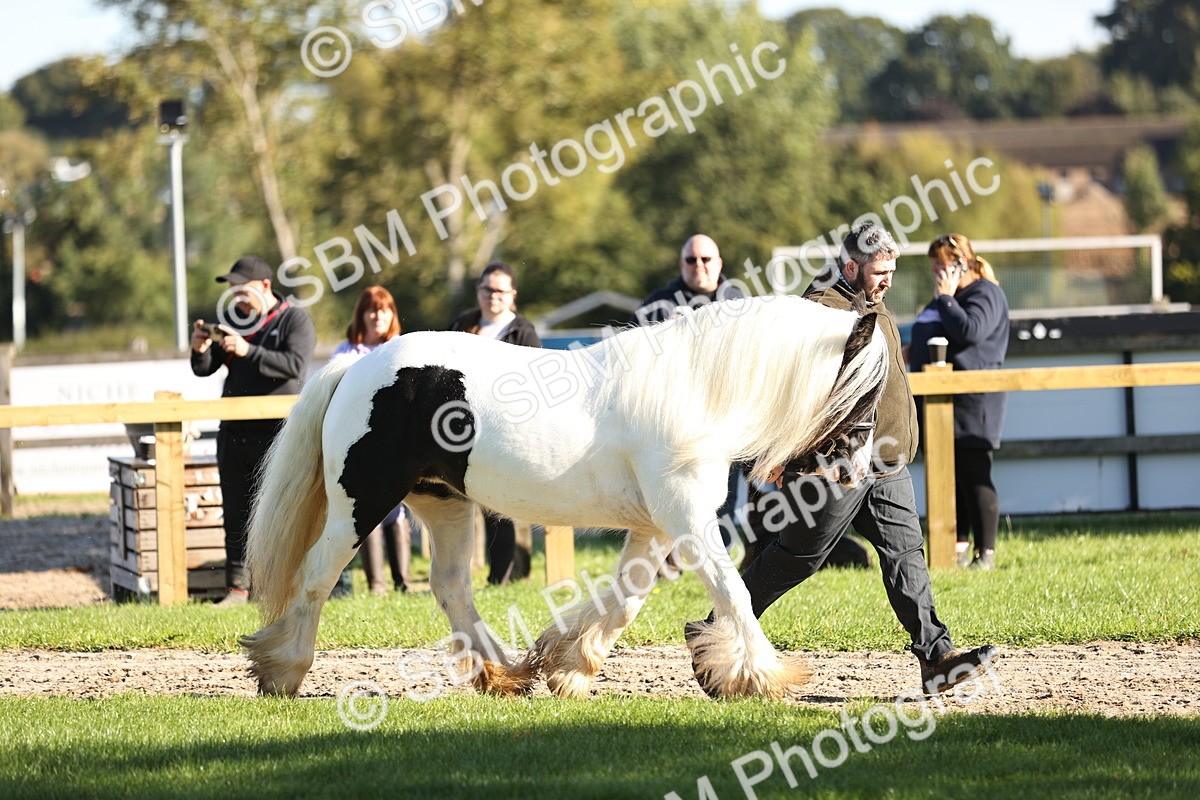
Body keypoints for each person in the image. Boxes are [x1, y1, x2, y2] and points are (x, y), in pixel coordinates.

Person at [696, 222, 998, 696]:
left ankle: (936, 657)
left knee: (905, 555)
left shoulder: (875, 308)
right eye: (880, 271)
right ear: (851, 266)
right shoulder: (820, 312)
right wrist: (782, 456)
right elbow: (791, 389)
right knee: (799, 557)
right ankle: (715, 629)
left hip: (887, 466)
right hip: (838, 468)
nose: (889, 280)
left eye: (893, 270)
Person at [191, 255, 315, 606]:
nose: (236, 297)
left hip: (276, 434)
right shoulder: (235, 321)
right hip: (233, 431)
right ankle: (237, 589)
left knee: (276, 512)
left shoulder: (295, 319)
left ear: (264, 286)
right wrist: (200, 349)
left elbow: (293, 367)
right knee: (235, 511)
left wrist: (247, 350)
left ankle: (280, 588)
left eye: (242, 289)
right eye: (232, 290)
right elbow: (204, 369)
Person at [632, 235, 747, 577]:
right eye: (691, 260)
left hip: (725, 410)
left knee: (723, 489)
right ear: (680, 264)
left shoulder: (737, 301)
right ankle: (664, 559)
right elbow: (634, 359)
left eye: (706, 259)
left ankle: (720, 559)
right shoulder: (658, 304)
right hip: (672, 415)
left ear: (719, 262)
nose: (699, 266)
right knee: (666, 484)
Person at [908, 234, 1010, 571]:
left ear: (961, 263)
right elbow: (923, 336)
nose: (935, 270)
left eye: (941, 262)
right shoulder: (943, 299)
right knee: (947, 478)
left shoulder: (985, 293)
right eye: (933, 263)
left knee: (974, 474)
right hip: (937, 402)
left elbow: (971, 331)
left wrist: (947, 299)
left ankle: (987, 554)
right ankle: (958, 549)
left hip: (972, 402)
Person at [449, 262, 540, 584]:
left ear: (512, 295)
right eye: (487, 289)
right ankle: (479, 574)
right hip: (463, 425)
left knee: (504, 505)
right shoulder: (463, 323)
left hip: (507, 426)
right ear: (479, 291)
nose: (493, 296)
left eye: (500, 290)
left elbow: (534, 382)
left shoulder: (523, 331)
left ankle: (507, 575)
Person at [330, 286, 413, 598]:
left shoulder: (401, 349)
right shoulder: (346, 353)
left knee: (399, 510)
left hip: (399, 440)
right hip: (362, 441)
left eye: (384, 310)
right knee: (372, 509)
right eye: (372, 310)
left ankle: (403, 583)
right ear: (362, 315)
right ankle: (377, 585)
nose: (378, 316)